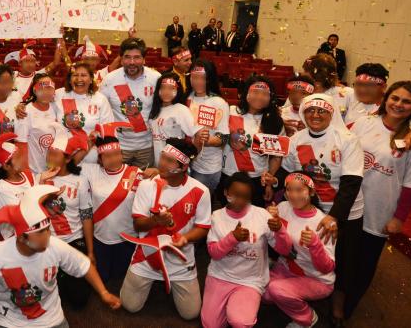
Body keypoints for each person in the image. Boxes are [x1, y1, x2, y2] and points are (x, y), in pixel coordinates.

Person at [0, 185, 121, 328]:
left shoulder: (55, 246)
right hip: (10, 323)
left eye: (47, 230)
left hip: (52, 321)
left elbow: (84, 266)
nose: (48, 236)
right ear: (21, 237)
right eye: (41, 233)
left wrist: (104, 293)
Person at [273, 93, 364, 325]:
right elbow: (287, 172)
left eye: (322, 110)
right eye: (310, 110)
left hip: (342, 210)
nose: (315, 115)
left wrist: (334, 217)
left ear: (332, 113)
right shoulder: (297, 139)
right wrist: (273, 182)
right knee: (306, 250)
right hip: (308, 206)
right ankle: (302, 289)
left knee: (342, 260)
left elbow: (351, 182)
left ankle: (337, 307)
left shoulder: (347, 139)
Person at [347, 81, 411, 318]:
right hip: (349, 206)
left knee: (363, 265)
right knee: (342, 257)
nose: (399, 104)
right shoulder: (364, 123)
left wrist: (399, 218)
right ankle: (333, 300)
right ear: (386, 99)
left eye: (406, 101)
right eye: (395, 98)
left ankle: (347, 309)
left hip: (379, 211)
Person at [120, 138, 211, 321]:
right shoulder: (147, 185)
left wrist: (186, 238)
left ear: (183, 167)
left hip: (180, 258)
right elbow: (138, 224)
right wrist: (156, 221)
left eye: (169, 161)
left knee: (190, 314)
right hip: (146, 255)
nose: (162, 163)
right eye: (162, 157)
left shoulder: (200, 191)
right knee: (129, 306)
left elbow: (203, 227)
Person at [201, 172, 290, 328]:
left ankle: (240, 306)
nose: (240, 201)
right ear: (225, 192)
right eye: (235, 195)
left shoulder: (262, 215)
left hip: (250, 281)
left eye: (246, 197)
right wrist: (232, 238)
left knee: (240, 322)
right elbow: (214, 253)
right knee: (210, 325)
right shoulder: (217, 216)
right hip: (220, 276)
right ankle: (232, 307)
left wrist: (280, 230)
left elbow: (285, 249)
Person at [264, 172, 336, 328]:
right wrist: (269, 217)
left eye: (299, 190)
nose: (293, 195)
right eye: (289, 190)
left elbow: (327, 268)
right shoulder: (283, 207)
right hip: (287, 268)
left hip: (316, 278)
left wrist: (315, 245)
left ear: (311, 192)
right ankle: (289, 297)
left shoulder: (323, 223)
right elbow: (280, 245)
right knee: (264, 294)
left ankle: (308, 318)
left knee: (276, 290)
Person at [79, 122, 143, 282]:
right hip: (100, 238)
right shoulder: (92, 171)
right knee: (103, 277)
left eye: (116, 154)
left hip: (127, 238)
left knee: (122, 277)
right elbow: (69, 164)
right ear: (100, 159)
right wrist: (89, 144)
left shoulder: (136, 173)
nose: (114, 159)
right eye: (107, 156)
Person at [40, 129, 92, 309]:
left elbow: (86, 216)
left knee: (79, 301)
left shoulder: (80, 181)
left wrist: (90, 251)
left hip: (73, 240)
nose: (50, 157)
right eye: (49, 153)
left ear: (67, 159)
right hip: (47, 242)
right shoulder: (40, 178)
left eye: (55, 154)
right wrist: (41, 184)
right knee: (47, 297)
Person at [222, 76, 284, 207]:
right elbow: (218, 135)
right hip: (228, 174)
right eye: (255, 92)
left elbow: (276, 157)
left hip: (257, 179)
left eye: (265, 94)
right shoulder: (230, 111)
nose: (259, 97)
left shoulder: (275, 121)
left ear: (270, 98)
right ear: (246, 93)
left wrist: (269, 182)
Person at [99, 38, 160, 169]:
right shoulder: (109, 80)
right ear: (121, 59)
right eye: (127, 57)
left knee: (143, 181)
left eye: (137, 57)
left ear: (144, 59)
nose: (132, 62)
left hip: (147, 146)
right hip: (119, 146)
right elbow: (100, 111)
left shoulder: (156, 78)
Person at [186, 60, 229, 193]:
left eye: (203, 78)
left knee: (201, 201)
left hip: (207, 167)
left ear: (210, 79)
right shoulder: (187, 97)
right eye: (194, 77)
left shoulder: (219, 102)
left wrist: (208, 140)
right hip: (186, 161)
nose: (198, 82)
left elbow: (224, 137)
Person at [148, 72, 208, 161]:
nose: (166, 92)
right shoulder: (155, 109)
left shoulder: (181, 109)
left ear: (178, 90)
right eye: (163, 88)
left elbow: (199, 134)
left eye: (171, 88)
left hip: (174, 163)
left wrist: (190, 157)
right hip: (158, 162)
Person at [0, 132, 35, 241]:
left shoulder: (28, 175)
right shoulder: (3, 187)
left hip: (30, 236)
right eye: (18, 157)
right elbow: (23, 214)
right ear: (6, 166)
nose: (23, 159)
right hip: (12, 241)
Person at [0, 40, 64, 99]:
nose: (31, 64)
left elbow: (55, 62)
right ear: (20, 63)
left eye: (33, 61)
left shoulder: (39, 75)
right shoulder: (12, 75)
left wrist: (59, 40)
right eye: (27, 61)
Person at [15, 74, 59, 174]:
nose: (46, 92)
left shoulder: (56, 107)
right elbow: (21, 145)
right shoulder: (25, 112)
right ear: (35, 90)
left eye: (49, 88)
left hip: (54, 170)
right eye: (42, 88)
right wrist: (26, 173)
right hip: (34, 171)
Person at [303, 53, 354, 121]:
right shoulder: (303, 93)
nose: (303, 74)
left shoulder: (347, 94)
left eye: (306, 71)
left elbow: (353, 121)